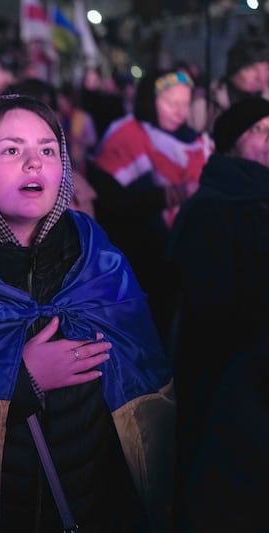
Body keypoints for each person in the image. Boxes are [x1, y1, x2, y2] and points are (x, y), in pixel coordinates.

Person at [0, 94, 174, 532]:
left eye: (48, 150)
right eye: (12, 150)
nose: (34, 164)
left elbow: (151, 410)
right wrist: (20, 380)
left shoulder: (100, 263)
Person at [168, 97, 269, 531]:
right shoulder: (213, 206)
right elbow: (210, 301)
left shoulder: (255, 196)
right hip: (226, 374)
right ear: (231, 144)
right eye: (260, 132)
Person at [87, 70, 213, 351]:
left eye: (185, 104)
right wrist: (172, 195)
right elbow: (110, 202)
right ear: (149, 100)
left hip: (181, 258)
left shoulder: (197, 142)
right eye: (171, 103)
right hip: (137, 260)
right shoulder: (127, 134)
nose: (179, 112)